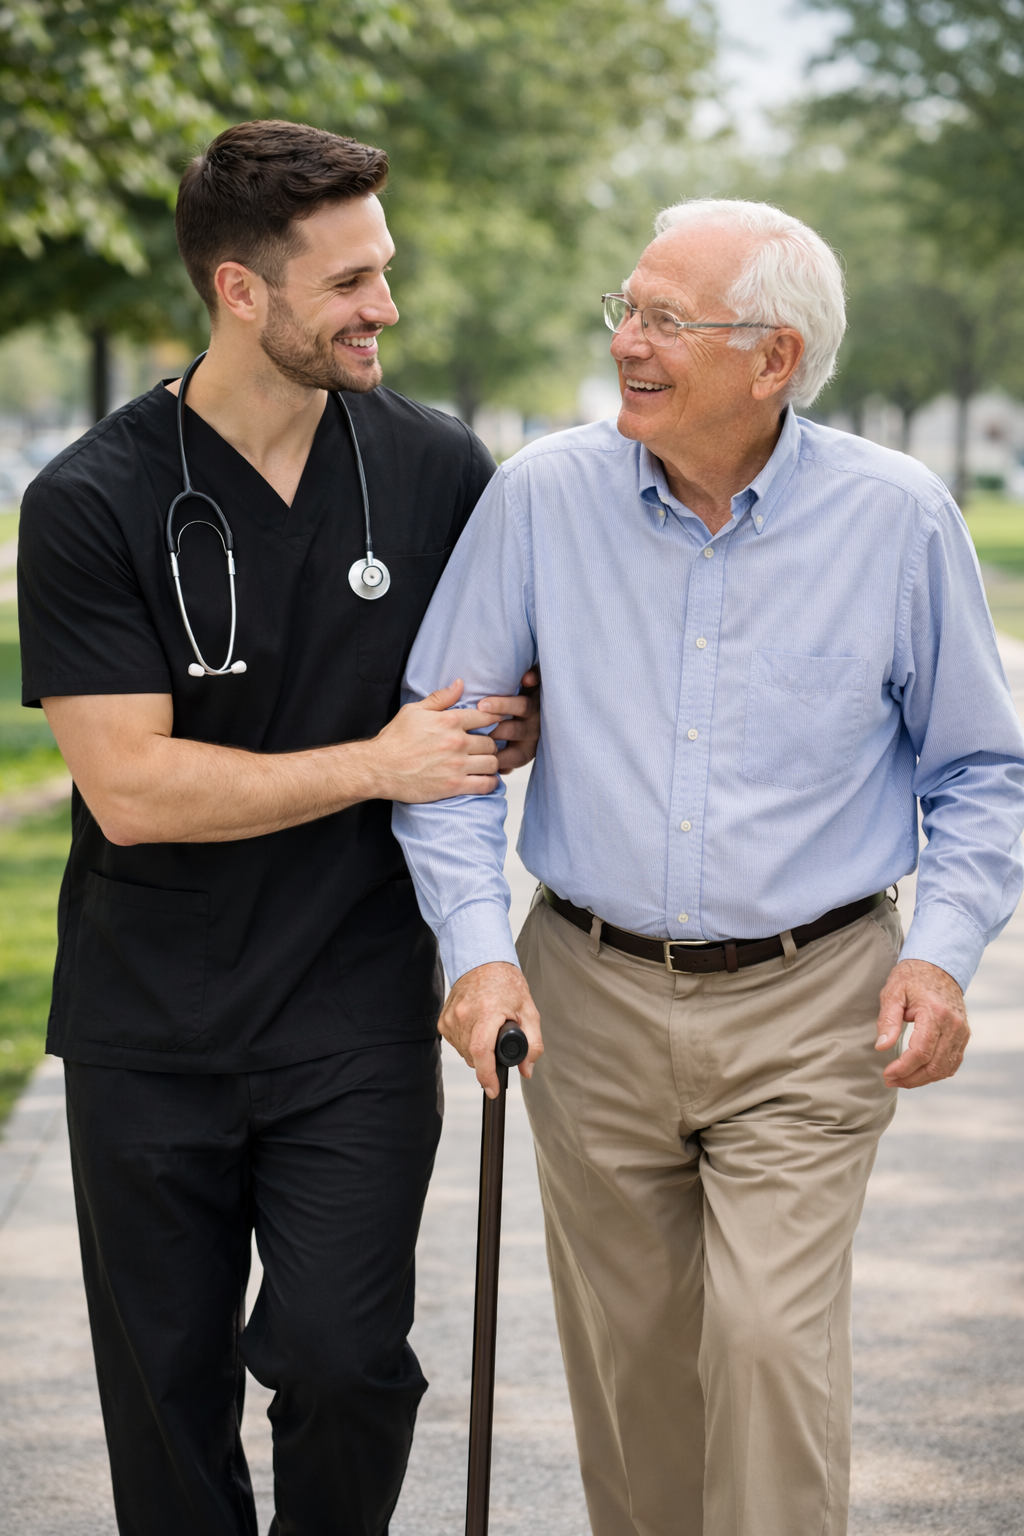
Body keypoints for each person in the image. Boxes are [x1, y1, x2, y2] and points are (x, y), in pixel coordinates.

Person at [393, 199, 1024, 1536]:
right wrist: (478, 949)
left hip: (814, 1000)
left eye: (667, 321)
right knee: (637, 1380)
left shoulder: (896, 520)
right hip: (589, 995)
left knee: (764, 1345)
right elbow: (443, 756)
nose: (628, 340)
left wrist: (941, 954)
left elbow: (980, 770)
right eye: (625, 309)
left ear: (775, 357)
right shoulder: (542, 501)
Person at [17, 119, 540, 1536]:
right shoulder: (90, 501)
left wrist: (514, 723)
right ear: (240, 292)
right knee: (167, 1398)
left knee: (345, 1359)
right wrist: (381, 761)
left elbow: (507, 691)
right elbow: (134, 786)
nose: (386, 306)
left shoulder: (438, 468)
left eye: (385, 268)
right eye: (351, 282)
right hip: (151, 1023)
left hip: (353, 1012)